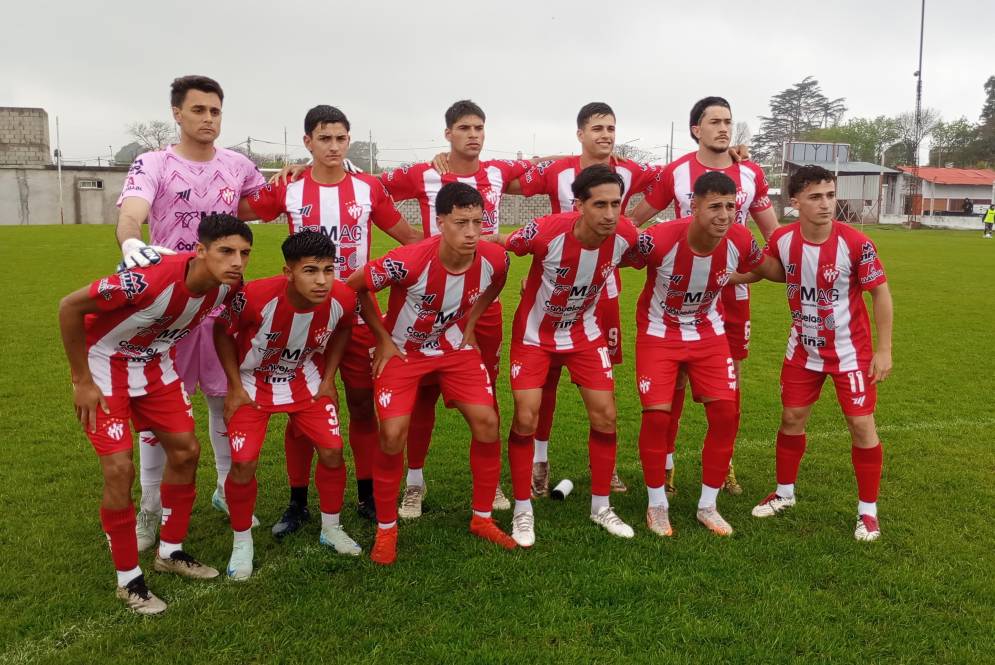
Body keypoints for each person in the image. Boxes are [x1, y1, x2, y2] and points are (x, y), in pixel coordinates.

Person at [58, 213, 253, 614]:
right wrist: (81, 381)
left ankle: (171, 551)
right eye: (226, 251)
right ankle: (128, 580)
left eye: (244, 253)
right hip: (103, 366)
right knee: (119, 470)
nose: (236, 261)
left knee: (186, 451)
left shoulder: (228, 289)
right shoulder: (148, 278)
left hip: (154, 367)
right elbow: (69, 307)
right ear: (200, 250)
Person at [244, 105, 420, 533]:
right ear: (307, 142)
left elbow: (410, 239)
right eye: (325, 138)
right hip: (301, 319)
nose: (334, 147)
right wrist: (261, 178)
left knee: (361, 405)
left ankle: (364, 494)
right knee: (301, 409)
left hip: (356, 315)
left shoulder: (368, 188)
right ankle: (297, 502)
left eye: (341, 138)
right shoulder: (289, 189)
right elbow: (235, 208)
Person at [116, 75, 267, 550]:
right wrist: (131, 238)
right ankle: (150, 506)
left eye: (215, 111)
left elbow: (263, 205)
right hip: (170, 308)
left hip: (222, 305)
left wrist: (294, 179)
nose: (207, 119)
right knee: (162, 411)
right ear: (177, 114)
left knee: (224, 399)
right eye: (197, 110)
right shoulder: (154, 163)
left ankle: (226, 488)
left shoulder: (239, 165)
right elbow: (132, 211)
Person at [346, 182, 516, 565]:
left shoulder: (494, 259)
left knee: (487, 422)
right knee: (391, 435)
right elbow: (356, 286)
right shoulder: (409, 260)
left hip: (453, 349)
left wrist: (470, 324)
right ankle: (386, 529)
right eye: (461, 223)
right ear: (440, 222)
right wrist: (382, 339)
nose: (472, 232)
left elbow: (496, 284)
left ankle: (483, 518)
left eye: (477, 222)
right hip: (404, 353)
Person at [376, 100, 531, 518]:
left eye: (479, 127)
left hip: (482, 303)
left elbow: (547, 166)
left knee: (486, 394)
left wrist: (606, 155)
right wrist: (410, 239)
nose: (473, 135)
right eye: (464, 128)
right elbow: (372, 191)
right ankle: (414, 483)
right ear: (448, 133)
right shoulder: (422, 173)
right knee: (421, 396)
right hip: (427, 303)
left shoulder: (498, 171)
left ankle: (491, 482)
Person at [630, 96, 779, 497]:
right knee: (672, 379)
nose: (724, 128)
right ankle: (667, 463)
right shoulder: (676, 173)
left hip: (733, 290)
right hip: (677, 294)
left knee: (732, 381)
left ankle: (724, 464)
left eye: (728, 121)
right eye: (715, 121)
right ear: (696, 128)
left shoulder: (750, 173)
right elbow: (634, 222)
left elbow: (773, 234)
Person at [736, 165, 893, 542]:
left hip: (850, 354)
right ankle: (784, 493)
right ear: (795, 203)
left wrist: (884, 350)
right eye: (815, 197)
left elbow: (880, 294)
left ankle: (868, 512)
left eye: (830, 195)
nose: (826, 204)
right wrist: (724, 276)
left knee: (861, 425)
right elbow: (771, 272)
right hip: (803, 351)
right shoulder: (784, 239)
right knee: (791, 419)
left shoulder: (856, 243)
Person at [512, 102, 659, 497]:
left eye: (611, 128)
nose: (605, 135)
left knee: (601, 379)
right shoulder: (558, 171)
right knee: (544, 383)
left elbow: (672, 182)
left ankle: (604, 471)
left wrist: (636, 221)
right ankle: (539, 462)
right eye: (597, 128)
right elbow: (508, 182)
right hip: (552, 284)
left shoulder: (630, 170)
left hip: (601, 293)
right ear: (580, 133)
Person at [499, 164, 640, 547]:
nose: (610, 214)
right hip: (534, 336)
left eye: (616, 204)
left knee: (606, 417)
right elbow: (500, 244)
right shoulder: (546, 231)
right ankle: (523, 510)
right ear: (579, 205)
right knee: (526, 418)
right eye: (600, 205)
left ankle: (601, 506)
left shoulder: (626, 234)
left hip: (584, 334)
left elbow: (654, 256)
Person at [625, 172, 767, 537]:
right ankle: (657, 504)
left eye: (731, 207)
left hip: (709, 334)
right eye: (715, 206)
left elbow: (764, 268)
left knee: (726, 414)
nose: (724, 215)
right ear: (694, 206)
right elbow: (616, 256)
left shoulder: (739, 238)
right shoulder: (660, 239)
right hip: (660, 334)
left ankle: (708, 505)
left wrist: (732, 278)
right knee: (657, 418)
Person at [215, 231, 362, 579]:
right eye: (311, 271)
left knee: (332, 451)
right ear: (288, 272)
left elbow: (343, 329)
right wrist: (234, 387)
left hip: (305, 380)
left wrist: (328, 379)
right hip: (253, 382)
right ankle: (242, 542)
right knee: (244, 463)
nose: (322, 280)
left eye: (329, 269)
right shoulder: (253, 297)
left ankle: (331, 528)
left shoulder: (343, 297)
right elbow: (221, 332)